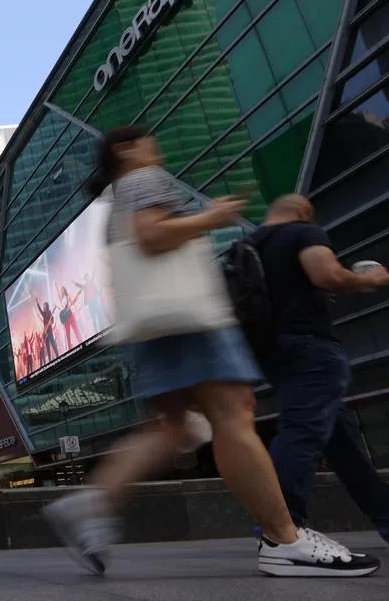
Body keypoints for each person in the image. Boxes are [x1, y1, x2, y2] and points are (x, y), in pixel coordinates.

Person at [41, 125, 377, 578]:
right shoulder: (143, 177)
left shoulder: (115, 197)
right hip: (188, 316)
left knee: (175, 427)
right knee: (233, 415)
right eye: (149, 140)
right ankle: (285, 539)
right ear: (126, 149)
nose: (156, 147)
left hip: (151, 323)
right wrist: (210, 218)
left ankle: (92, 502)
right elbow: (151, 235)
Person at [250, 194, 389, 542]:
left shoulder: (248, 246)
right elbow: (327, 274)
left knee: (343, 445)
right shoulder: (302, 231)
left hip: (272, 353)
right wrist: (371, 279)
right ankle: (280, 530)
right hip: (311, 347)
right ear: (304, 212)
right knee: (300, 432)